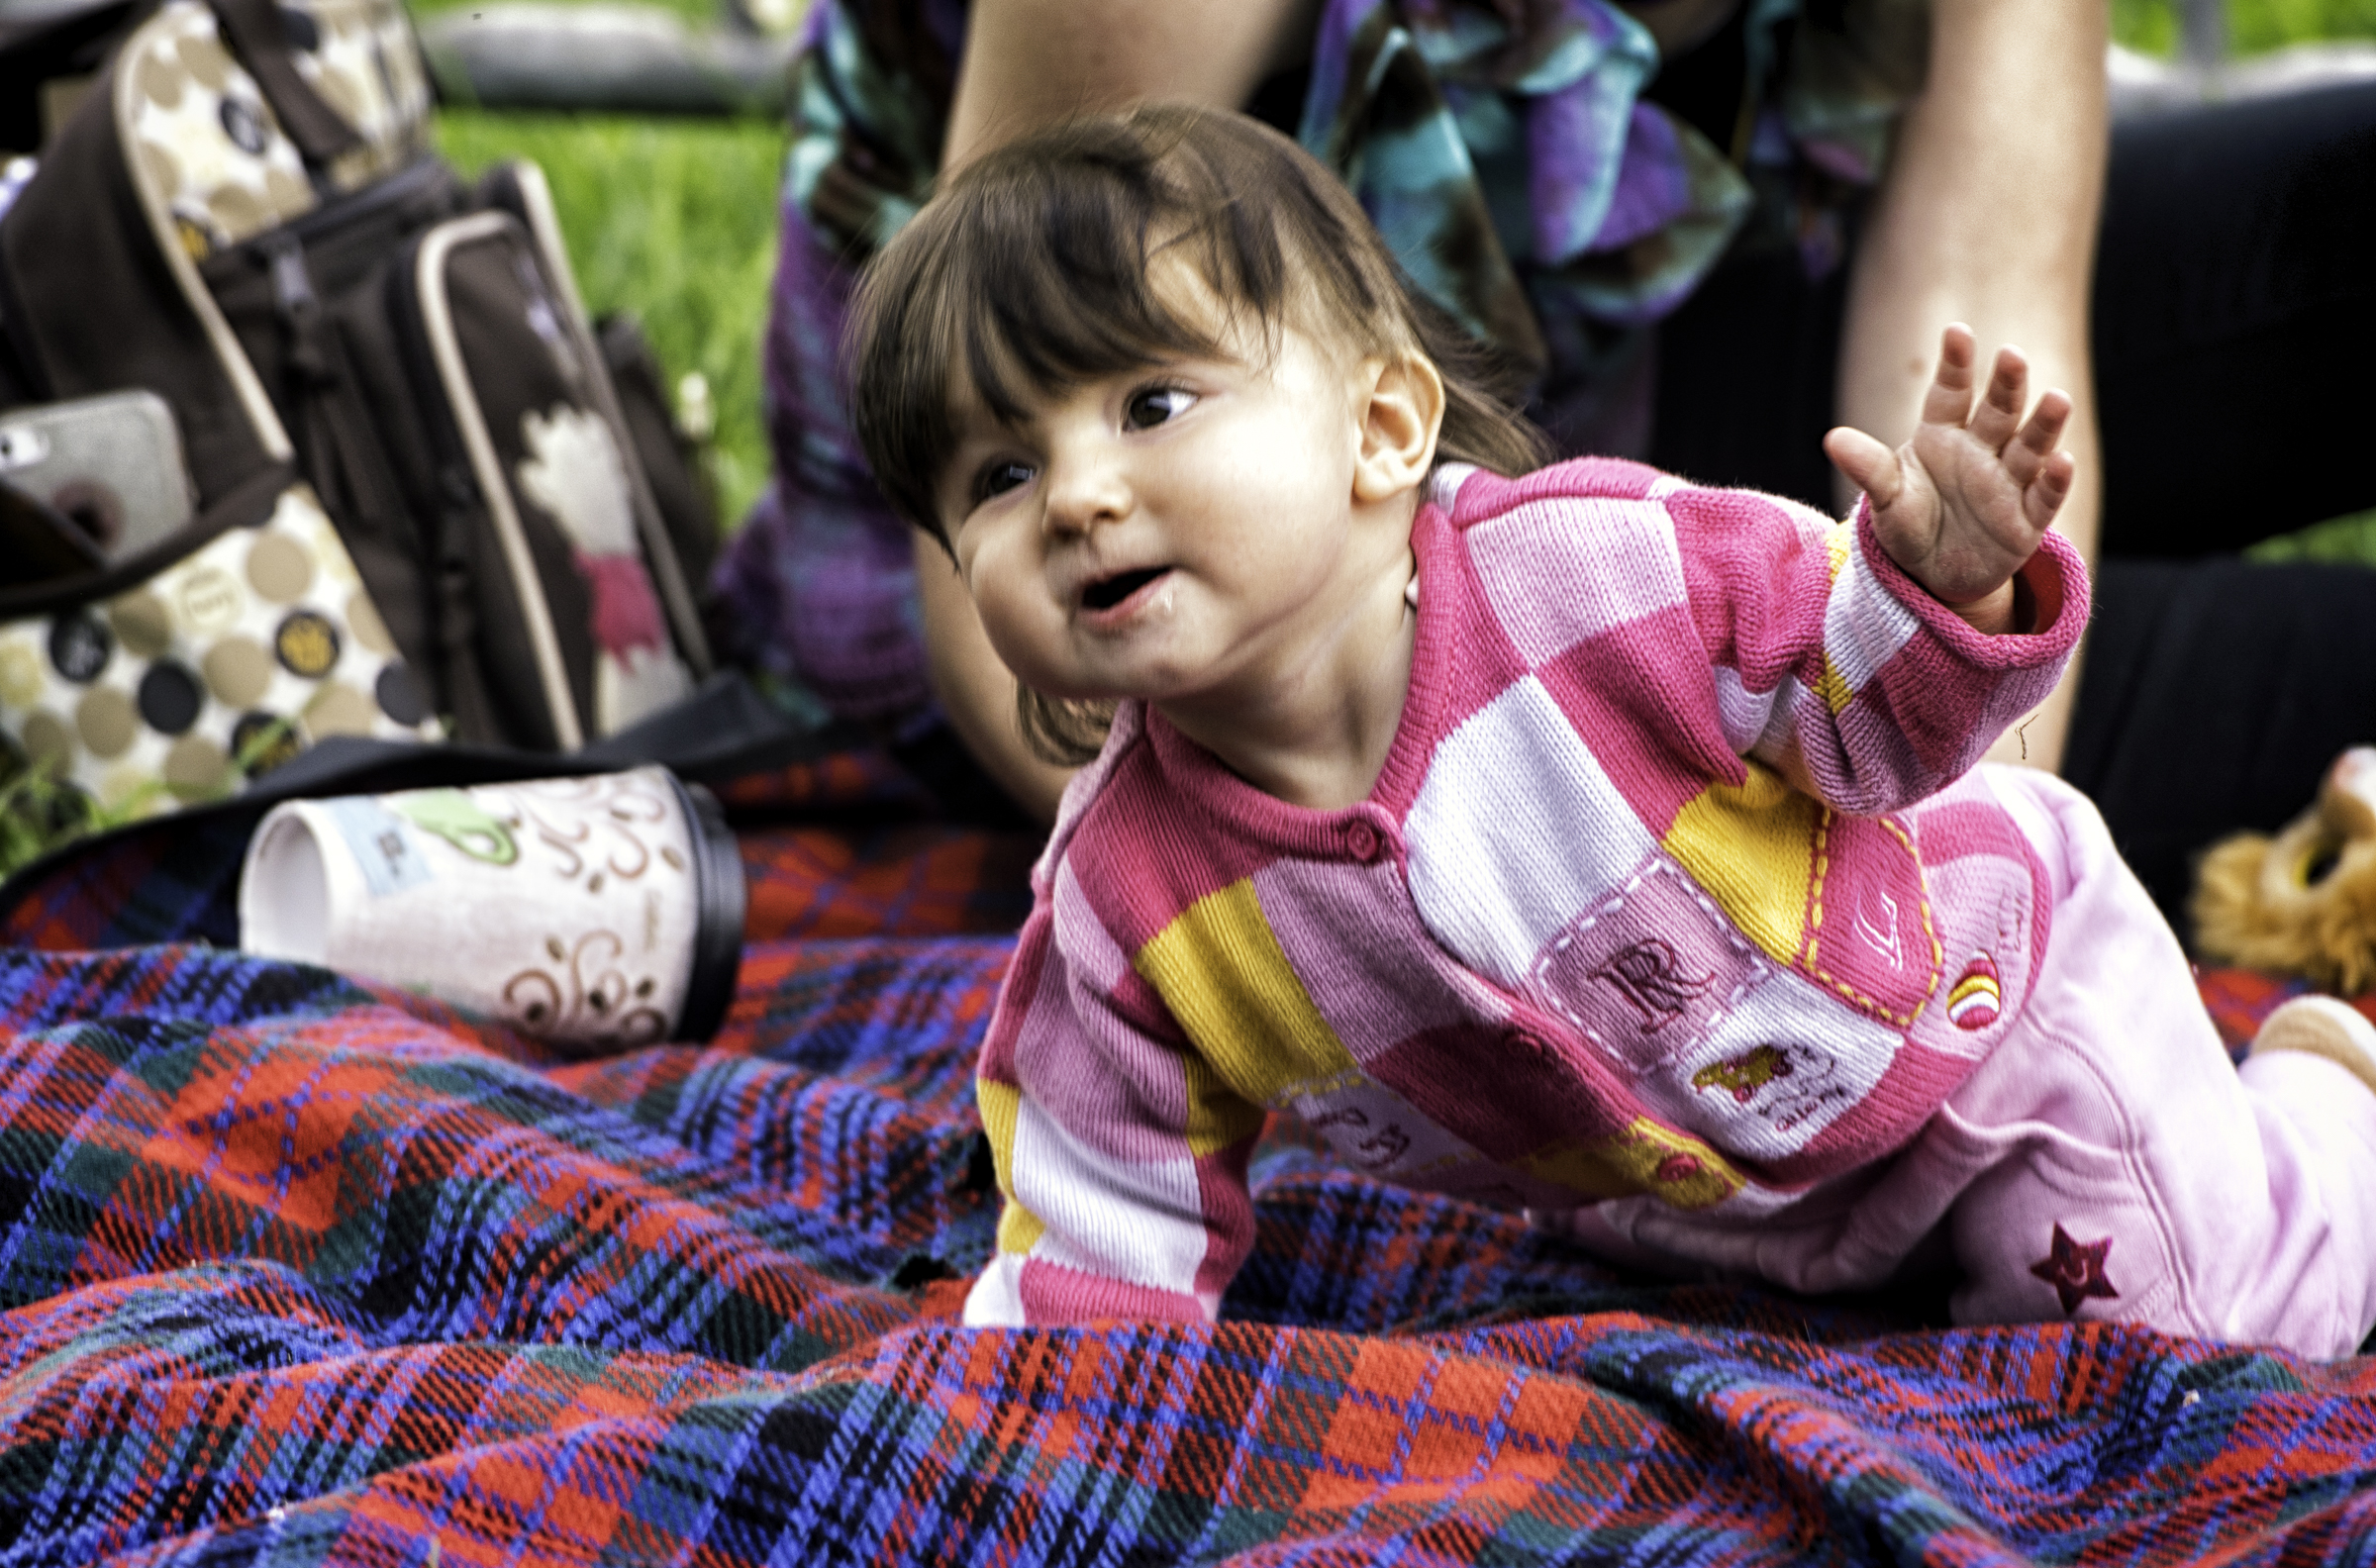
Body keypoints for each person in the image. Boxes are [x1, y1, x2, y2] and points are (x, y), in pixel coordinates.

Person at [847, 106, 2376, 1355]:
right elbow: (1101, 1222)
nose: (1077, 496)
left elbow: (1868, 721)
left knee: (2178, 1341)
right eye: (995, 474)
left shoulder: (1595, 576)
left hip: (1990, 1025)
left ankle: (2331, 1106)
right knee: (1902, 1346)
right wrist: (1045, 1426)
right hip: (1708, 1202)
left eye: (1150, 403)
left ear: (1383, 428)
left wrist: (1937, 584)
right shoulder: (1130, 908)